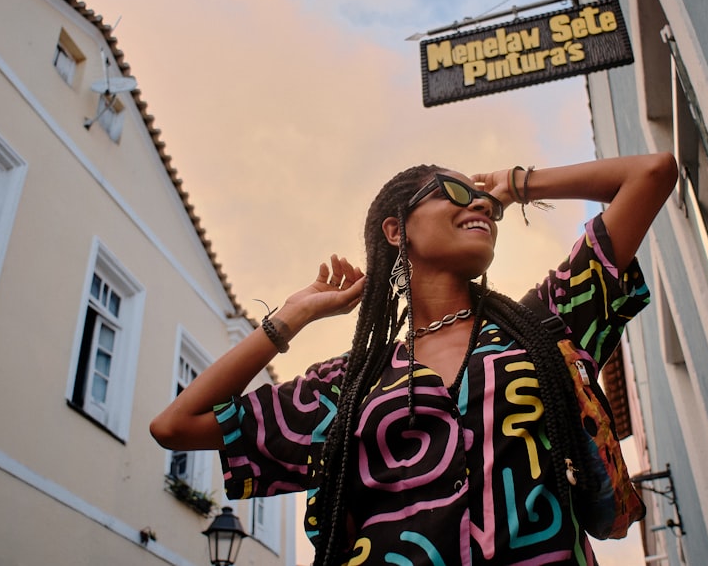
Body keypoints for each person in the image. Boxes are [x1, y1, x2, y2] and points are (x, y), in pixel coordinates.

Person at [150, 153, 678, 565]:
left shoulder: (542, 328)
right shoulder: (347, 386)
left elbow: (651, 173)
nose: (479, 206)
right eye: (454, 192)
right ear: (396, 230)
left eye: (483, 203)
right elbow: (177, 424)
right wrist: (292, 316)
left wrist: (512, 185)